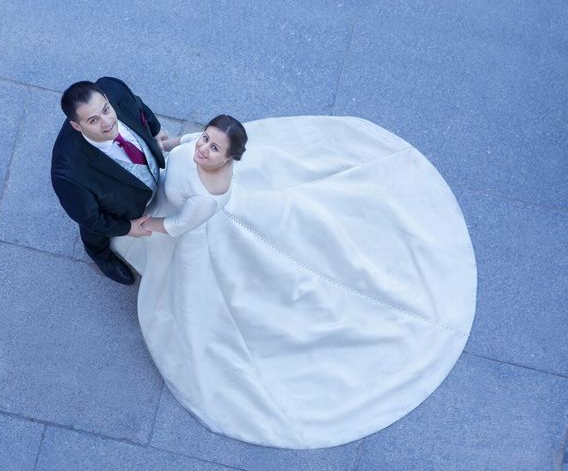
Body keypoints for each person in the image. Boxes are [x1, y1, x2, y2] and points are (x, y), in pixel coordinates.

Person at [112, 115, 477, 449]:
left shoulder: (209, 196)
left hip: (192, 230)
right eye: (205, 139)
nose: (204, 148)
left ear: (229, 158)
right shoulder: (197, 150)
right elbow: (187, 143)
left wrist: (145, 227)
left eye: (213, 148)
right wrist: (175, 143)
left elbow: (178, 226)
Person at [51, 77, 168, 285]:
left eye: (106, 110)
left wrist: (156, 130)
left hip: (141, 185)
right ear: (77, 127)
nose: (107, 123)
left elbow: (139, 107)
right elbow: (90, 218)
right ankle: (100, 255)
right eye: (93, 120)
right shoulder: (68, 174)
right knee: (93, 231)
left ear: (107, 98)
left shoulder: (114, 88)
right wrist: (127, 228)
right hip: (109, 210)